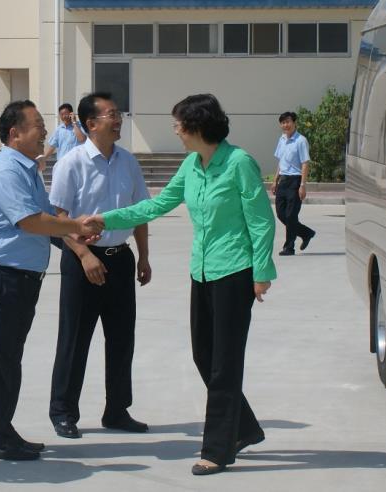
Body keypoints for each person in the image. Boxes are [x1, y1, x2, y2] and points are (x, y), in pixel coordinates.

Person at [86, 94, 276, 476]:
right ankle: (245, 428)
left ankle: (217, 450)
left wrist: (261, 273)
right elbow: (155, 206)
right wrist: (106, 219)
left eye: (178, 124)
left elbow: (261, 221)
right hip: (201, 272)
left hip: (235, 273)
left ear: (197, 126)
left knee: (224, 365)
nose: (175, 131)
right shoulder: (191, 165)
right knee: (204, 356)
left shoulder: (239, 163)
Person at [0, 100, 101, 461]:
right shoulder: (5, 172)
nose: (44, 130)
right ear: (15, 133)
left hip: (18, 279)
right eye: (37, 124)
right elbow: (30, 222)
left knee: (8, 359)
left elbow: (46, 219)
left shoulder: (27, 169)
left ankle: (3, 430)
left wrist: (78, 243)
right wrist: (76, 225)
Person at [48, 92, 151, 439]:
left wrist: (144, 256)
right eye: (111, 114)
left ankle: (117, 410)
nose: (118, 120)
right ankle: (63, 412)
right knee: (74, 339)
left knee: (122, 338)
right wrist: (84, 255)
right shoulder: (71, 163)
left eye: (118, 113)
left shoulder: (128, 162)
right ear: (91, 123)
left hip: (120, 259)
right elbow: (59, 219)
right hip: (82, 262)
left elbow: (140, 212)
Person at [271, 111, 315, 256]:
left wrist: (303, 185)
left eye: (288, 122)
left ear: (294, 123)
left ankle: (289, 247)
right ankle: (306, 233)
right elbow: (280, 161)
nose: (286, 125)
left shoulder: (301, 141)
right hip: (283, 181)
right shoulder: (282, 139)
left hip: (295, 181)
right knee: (281, 214)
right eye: (283, 122)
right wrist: (275, 180)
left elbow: (305, 163)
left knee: (291, 216)